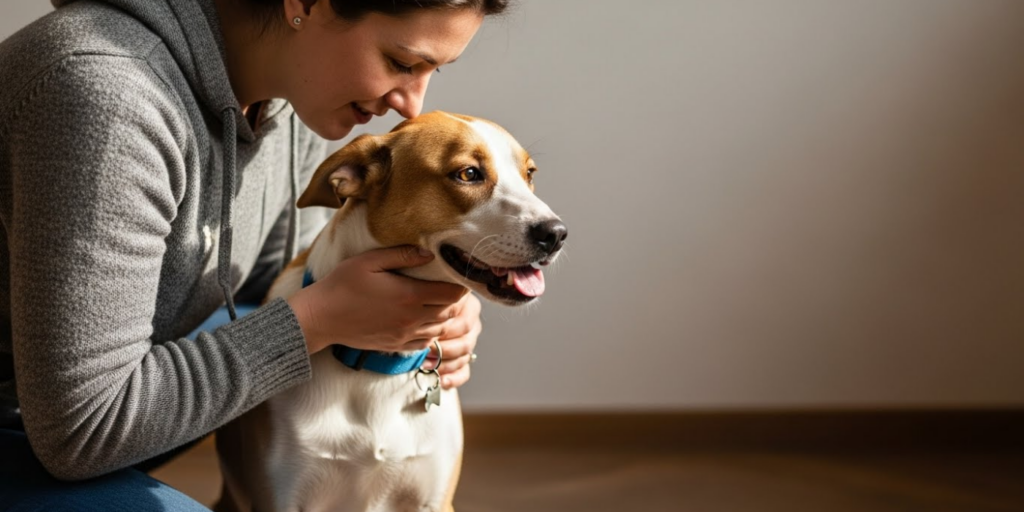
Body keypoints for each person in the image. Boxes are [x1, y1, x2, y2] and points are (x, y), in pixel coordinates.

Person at [0, 0, 509, 509]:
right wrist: (318, 318)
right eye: (401, 63)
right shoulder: (108, 99)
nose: (412, 106)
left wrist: (425, 302)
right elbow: (81, 432)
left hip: (97, 407)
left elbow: (279, 281)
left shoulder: (293, 95)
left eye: (431, 70)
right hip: (59, 426)